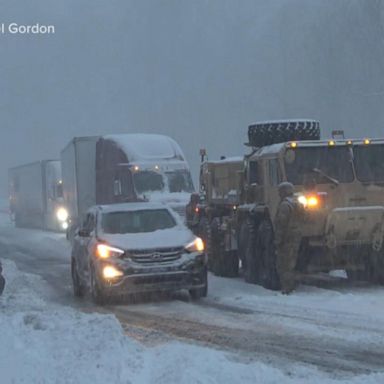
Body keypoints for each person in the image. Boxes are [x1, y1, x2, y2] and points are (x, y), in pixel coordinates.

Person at [274, 182, 302, 294]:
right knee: (291, 262)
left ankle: (287, 287)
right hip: (296, 236)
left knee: (284, 264)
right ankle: (291, 284)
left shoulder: (285, 205)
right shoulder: (297, 203)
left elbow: (281, 224)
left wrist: (278, 240)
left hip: (287, 237)